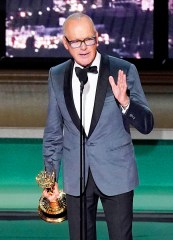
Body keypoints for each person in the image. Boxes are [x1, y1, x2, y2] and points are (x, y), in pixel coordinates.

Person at [42, 12, 154, 240]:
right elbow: (53, 133)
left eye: (88, 40)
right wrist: (50, 179)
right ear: (65, 43)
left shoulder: (123, 70)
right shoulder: (56, 75)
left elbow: (146, 124)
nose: (83, 47)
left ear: (97, 38)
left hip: (117, 173)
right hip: (76, 177)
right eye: (75, 41)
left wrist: (125, 103)